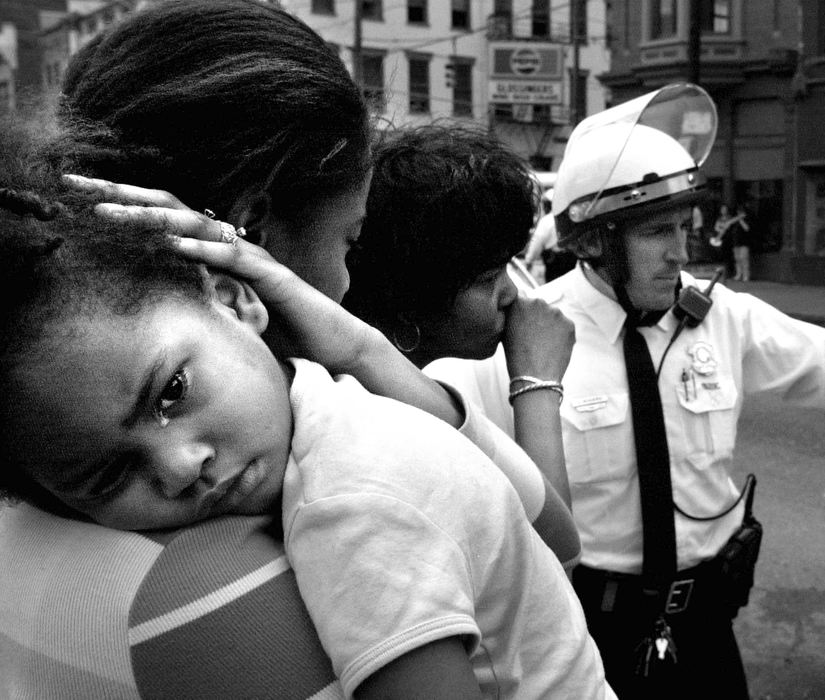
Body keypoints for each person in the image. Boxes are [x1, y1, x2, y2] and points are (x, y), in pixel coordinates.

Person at [0, 0, 591, 695]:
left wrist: (362, 357)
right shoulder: (235, 583)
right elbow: (556, 542)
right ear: (247, 236)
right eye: (352, 239)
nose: (179, 468)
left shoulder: (45, 460)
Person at [425, 83, 825, 699]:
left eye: (683, 227)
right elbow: (430, 455)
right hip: (589, 631)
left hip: (708, 626)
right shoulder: (526, 336)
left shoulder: (720, 316)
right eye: (655, 233)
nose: (680, 253)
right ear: (591, 241)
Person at [343, 122, 576, 515]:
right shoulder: (389, 422)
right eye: (488, 279)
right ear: (409, 301)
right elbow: (554, 548)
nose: (512, 293)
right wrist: (536, 385)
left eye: (508, 266)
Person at [730, 203, 752, 281]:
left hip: (744, 242)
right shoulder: (735, 220)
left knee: (744, 259)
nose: (739, 213)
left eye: (741, 212)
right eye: (738, 211)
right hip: (736, 242)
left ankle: (746, 275)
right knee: (737, 259)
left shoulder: (747, 219)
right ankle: (739, 274)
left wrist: (741, 220)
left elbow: (746, 228)